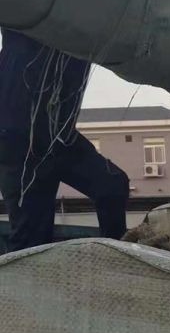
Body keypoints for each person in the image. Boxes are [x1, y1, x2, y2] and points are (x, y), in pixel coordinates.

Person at [0, 28, 129, 252]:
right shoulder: (21, 26)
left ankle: (115, 256)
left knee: (112, 184)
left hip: (61, 137)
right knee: (31, 240)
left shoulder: (87, 29)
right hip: (19, 142)